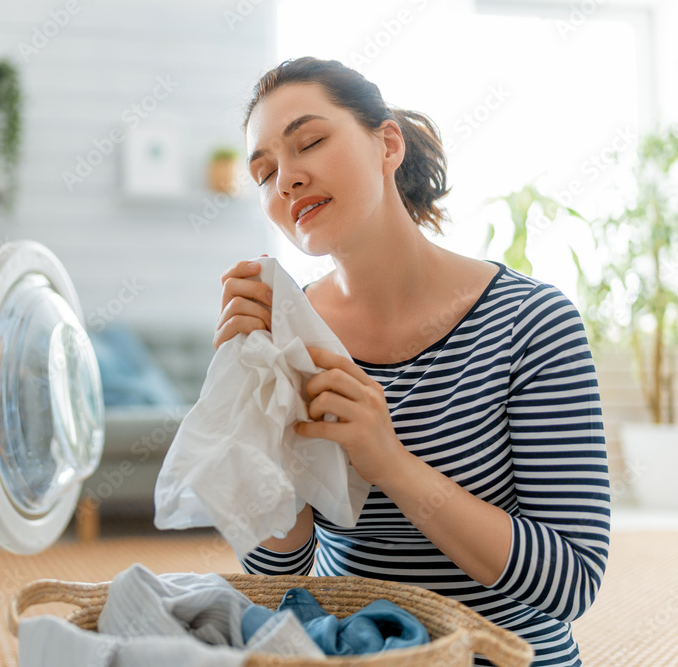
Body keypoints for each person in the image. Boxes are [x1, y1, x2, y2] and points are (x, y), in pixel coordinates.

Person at [214, 57, 611, 667]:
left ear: (387, 143)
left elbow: (571, 582)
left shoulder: (531, 323)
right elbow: (278, 573)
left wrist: (390, 462)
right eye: (264, 173)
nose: (286, 180)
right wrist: (252, 407)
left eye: (310, 142)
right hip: (352, 653)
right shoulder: (290, 339)